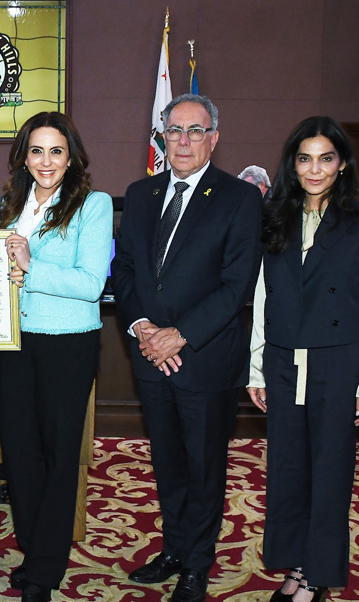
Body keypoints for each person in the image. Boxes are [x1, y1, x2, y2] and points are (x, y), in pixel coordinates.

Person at [111, 94, 263, 602]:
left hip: (204, 358)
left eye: (195, 131)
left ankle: (197, 564)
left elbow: (237, 285)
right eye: (174, 130)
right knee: (168, 463)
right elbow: (125, 269)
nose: (183, 141)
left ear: (213, 139)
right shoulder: (141, 193)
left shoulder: (239, 199)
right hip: (150, 356)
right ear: (163, 137)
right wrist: (142, 327)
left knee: (203, 467)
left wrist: (179, 334)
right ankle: (175, 549)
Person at [247, 117, 359, 602]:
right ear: (292, 164)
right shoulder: (276, 214)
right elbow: (264, 295)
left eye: (325, 158)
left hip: (338, 362)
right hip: (283, 361)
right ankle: (296, 563)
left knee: (330, 471)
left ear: (342, 163)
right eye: (304, 159)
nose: (314, 169)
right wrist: (256, 365)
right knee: (287, 469)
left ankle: (318, 574)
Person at [0, 112, 113, 602]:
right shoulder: (14, 204)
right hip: (17, 342)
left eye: (56, 151)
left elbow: (92, 283)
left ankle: (44, 570)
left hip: (68, 343)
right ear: (24, 157)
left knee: (59, 455)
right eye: (37, 151)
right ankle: (34, 548)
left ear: (71, 158)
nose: (46, 161)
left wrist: (30, 264)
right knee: (19, 452)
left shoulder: (93, 204)